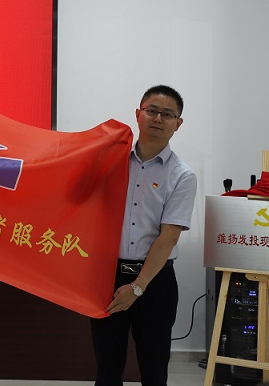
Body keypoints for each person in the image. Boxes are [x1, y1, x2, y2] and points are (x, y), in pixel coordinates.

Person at [90, 85, 197, 386]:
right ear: (138, 114)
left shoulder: (182, 175)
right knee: (107, 368)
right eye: (152, 111)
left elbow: (169, 237)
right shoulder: (110, 161)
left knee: (154, 370)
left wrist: (137, 287)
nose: (158, 119)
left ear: (178, 123)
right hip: (108, 277)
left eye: (167, 114)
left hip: (154, 282)